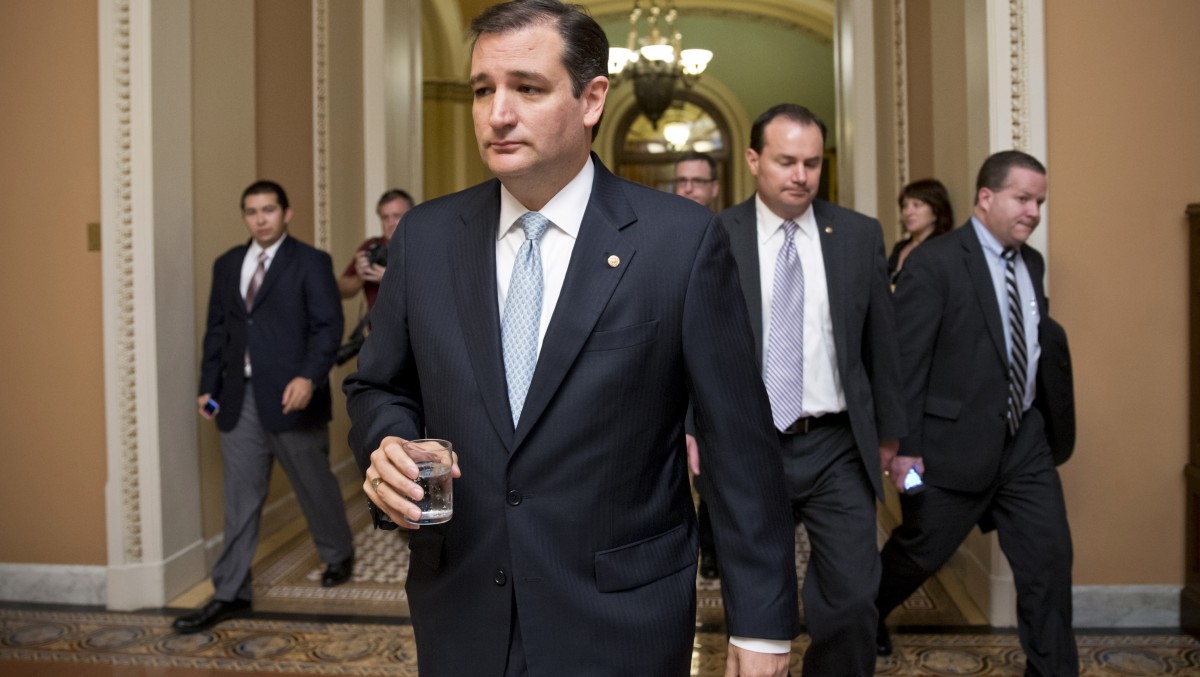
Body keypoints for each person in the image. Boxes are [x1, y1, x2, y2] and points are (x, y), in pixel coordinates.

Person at [343, 2, 799, 676]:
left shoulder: (679, 243)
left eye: (526, 87)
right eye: (482, 90)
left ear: (592, 99)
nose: (498, 112)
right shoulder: (428, 239)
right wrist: (385, 440)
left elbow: (739, 448)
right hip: (462, 609)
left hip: (620, 620)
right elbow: (379, 384)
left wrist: (761, 625)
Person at [703, 103, 905, 676]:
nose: (801, 176)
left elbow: (881, 347)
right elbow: (695, 349)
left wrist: (894, 436)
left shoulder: (858, 235)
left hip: (836, 444)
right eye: (787, 161)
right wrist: (692, 429)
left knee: (851, 597)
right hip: (749, 441)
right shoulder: (716, 236)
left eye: (812, 163)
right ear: (753, 160)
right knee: (758, 602)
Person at [875, 150, 1078, 676]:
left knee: (1049, 564)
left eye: (1039, 202)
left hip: (1025, 443)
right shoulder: (935, 262)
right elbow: (906, 363)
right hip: (945, 449)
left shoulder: (1030, 262)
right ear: (986, 198)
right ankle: (867, 610)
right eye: (1023, 198)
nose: (1033, 211)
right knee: (919, 551)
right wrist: (905, 450)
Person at [176, 180, 356, 634]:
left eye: (269, 210)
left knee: (313, 483)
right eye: (252, 211)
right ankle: (230, 591)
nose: (260, 218)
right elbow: (217, 330)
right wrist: (207, 386)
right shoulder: (227, 265)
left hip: (293, 395)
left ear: (286, 213)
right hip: (238, 398)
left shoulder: (311, 262)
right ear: (245, 216)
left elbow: (328, 326)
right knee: (240, 498)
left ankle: (338, 554)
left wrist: (308, 377)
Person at [672, 150, 722, 580]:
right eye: (682, 180)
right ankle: (709, 551)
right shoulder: (661, 237)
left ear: (714, 189)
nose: (688, 188)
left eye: (697, 181)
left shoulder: (728, 238)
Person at [338, 188, 415, 308]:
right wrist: (360, 277)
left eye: (397, 216)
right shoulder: (372, 247)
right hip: (377, 325)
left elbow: (435, 294)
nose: (390, 223)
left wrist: (391, 279)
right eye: (385, 217)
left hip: (414, 326)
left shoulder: (425, 247)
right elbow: (340, 290)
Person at [888, 178, 953, 284]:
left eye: (917, 205)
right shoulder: (899, 247)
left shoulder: (943, 249)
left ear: (936, 211)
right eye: (905, 206)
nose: (908, 212)